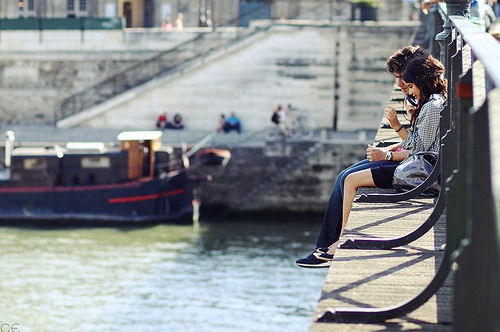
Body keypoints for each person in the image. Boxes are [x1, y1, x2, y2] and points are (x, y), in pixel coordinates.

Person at [296, 46, 447, 268]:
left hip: (419, 171)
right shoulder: (429, 101)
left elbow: (418, 148)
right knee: (345, 176)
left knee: (349, 178)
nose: (402, 86)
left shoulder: (431, 106)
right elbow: (419, 142)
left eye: (405, 81)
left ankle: (336, 243)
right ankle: (327, 244)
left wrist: (390, 144)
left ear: (418, 78)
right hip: (417, 166)